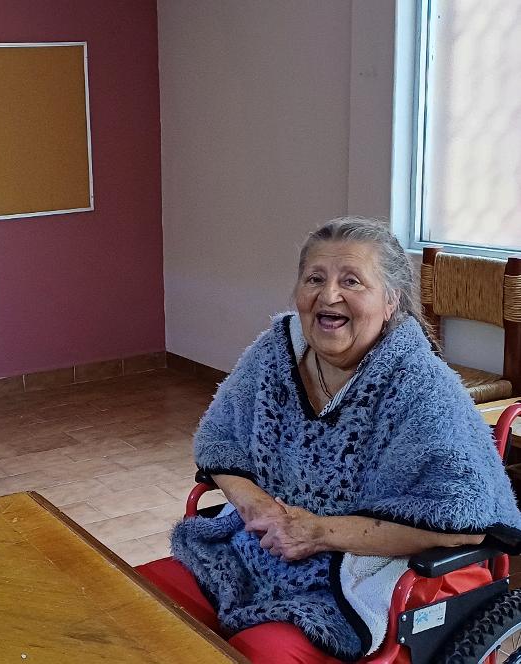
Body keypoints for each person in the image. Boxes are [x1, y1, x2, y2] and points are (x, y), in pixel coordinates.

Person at [171, 218, 521, 663]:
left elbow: (466, 521)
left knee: (258, 652)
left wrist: (318, 532)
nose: (328, 295)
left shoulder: (422, 388)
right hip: (257, 548)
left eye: (351, 281)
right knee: (152, 598)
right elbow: (219, 439)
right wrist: (254, 504)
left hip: (363, 576)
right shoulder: (275, 351)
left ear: (391, 300)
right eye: (315, 278)